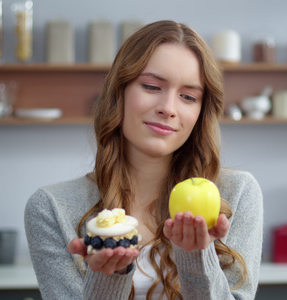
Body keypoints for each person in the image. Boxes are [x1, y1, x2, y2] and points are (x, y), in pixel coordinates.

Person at [24, 20, 263, 300]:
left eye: (188, 96)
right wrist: (107, 279)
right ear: (119, 93)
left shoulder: (237, 194)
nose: (168, 108)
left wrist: (197, 259)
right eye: (151, 87)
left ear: (201, 113)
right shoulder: (51, 208)